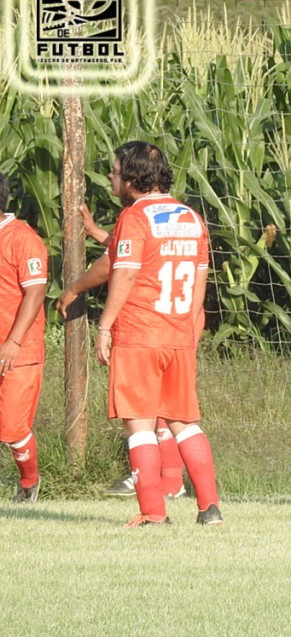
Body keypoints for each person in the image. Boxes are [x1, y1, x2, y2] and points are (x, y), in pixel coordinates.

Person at [94, 141, 222, 527]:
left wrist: (104, 325)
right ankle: (210, 508)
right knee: (184, 422)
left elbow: (125, 273)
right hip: (178, 333)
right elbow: (199, 284)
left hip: (139, 333)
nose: (111, 177)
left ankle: (153, 513)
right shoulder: (192, 218)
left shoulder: (134, 217)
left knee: (139, 424)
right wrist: (188, 330)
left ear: (133, 178)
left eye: (116, 171)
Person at [57, 204, 187, 500]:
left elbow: (114, 263)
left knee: (144, 407)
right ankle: (173, 482)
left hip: (149, 323)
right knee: (166, 406)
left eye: (116, 178)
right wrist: (96, 232)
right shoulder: (178, 216)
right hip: (178, 317)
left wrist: (75, 289)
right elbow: (128, 248)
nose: (113, 181)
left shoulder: (137, 214)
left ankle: (156, 480)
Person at [0, 175, 47, 504]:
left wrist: (13, 342)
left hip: (19, 350)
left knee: (12, 428)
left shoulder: (22, 238)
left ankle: (29, 481)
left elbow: (35, 293)